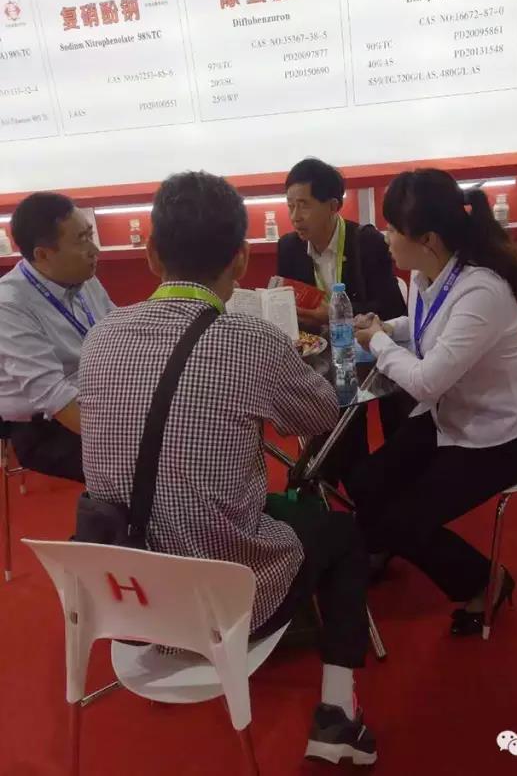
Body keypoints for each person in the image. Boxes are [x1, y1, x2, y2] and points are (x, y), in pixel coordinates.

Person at [79, 171, 377, 765]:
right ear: (240, 259)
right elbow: (323, 413)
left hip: (125, 592)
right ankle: (337, 718)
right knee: (342, 533)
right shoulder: (250, 340)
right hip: (224, 597)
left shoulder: (100, 338)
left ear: (151, 255)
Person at [352, 169, 517, 636]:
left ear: (428, 239)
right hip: (451, 417)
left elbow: (425, 382)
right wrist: (390, 328)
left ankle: (486, 582)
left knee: (401, 519)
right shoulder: (426, 273)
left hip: (501, 437)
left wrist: (378, 341)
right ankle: (385, 541)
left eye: (393, 229)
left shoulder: (481, 291)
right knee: (365, 482)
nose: (386, 237)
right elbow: (426, 327)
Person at [278, 158, 411, 485]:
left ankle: (376, 481)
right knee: (331, 418)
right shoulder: (289, 247)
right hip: (321, 361)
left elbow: (390, 307)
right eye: (290, 206)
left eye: (304, 205)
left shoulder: (365, 242)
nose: (295, 216)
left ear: (333, 206)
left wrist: (333, 314)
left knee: (377, 414)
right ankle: (334, 479)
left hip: (368, 355)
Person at [0, 192, 113, 482]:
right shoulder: (9, 304)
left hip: (99, 395)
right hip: (46, 427)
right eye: (82, 240)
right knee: (146, 466)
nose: (94, 250)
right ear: (43, 255)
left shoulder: (82, 277)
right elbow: (52, 396)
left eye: (90, 235)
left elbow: (116, 330)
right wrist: (125, 436)